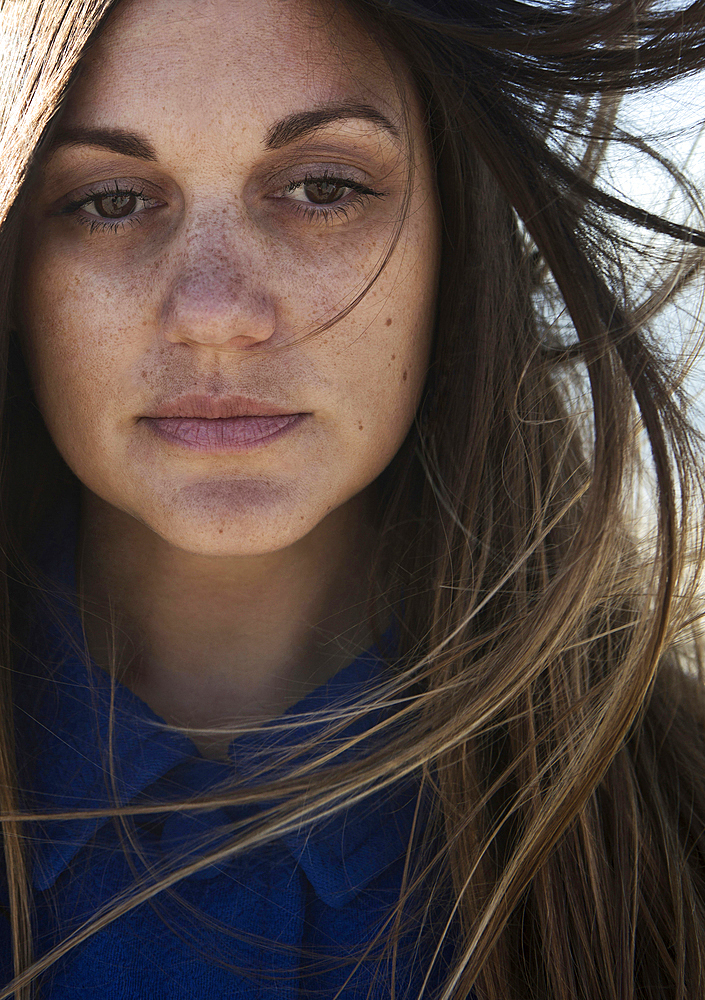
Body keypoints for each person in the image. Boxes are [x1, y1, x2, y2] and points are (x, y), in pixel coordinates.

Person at [1, 0, 705, 996]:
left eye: (321, 188)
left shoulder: (666, 844)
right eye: (111, 200)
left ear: (450, 245)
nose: (215, 313)